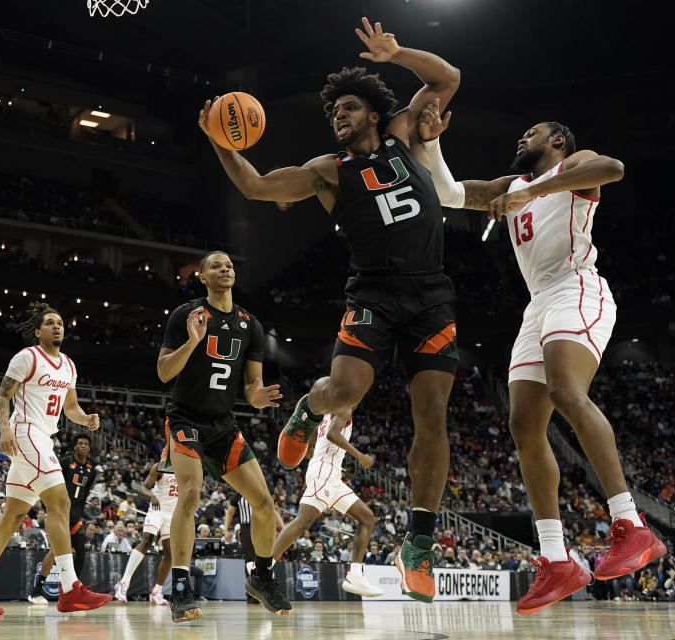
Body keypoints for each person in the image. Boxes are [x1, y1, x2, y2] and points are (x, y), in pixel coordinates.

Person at [200, 17, 461, 604]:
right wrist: (220, 140)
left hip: (431, 294)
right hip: (372, 293)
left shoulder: (406, 134)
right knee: (341, 393)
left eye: (348, 107)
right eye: (333, 111)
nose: (338, 116)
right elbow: (258, 188)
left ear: (372, 111)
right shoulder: (327, 171)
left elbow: (447, 77)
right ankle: (306, 408)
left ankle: (417, 545)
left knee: (433, 416)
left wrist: (396, 55)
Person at [420, 107, 667, 613]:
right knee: (524, 425)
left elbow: (614, 168)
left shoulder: (573, 165)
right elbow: (449, 193)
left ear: (556, 140)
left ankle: (633, 526)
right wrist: (430, 142)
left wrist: (530, 193)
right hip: (538, 303)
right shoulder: (511, 183)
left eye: (532, 131)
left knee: (565, 390)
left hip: (577, 286)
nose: (522, 135)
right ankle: (557, 558)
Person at [157, 250, 288, 622]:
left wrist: (257, 396)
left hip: (223, 424)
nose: (225, 269)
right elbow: (164, 373)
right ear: (202, 277)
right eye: (216, 265)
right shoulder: (186, 315)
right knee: (191, 491)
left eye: (229, 265)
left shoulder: (251, 325)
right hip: (185, 418)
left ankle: (262, 577)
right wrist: (193, 341)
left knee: (263, 503)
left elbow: (252, 385)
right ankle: (180, 588)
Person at [0, 303, 110, 615]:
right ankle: (71, 589)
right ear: (38, 331)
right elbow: (3, 396)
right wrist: (4, 429)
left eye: (61, 322)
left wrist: (86, 419)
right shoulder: (27, 356)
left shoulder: (68, 364)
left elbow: (71, 409)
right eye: (50, 323)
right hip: (26, 433)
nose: (57, 327)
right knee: (61, 503)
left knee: (12, 516)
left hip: (43, 439)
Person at [271, 410, 382, 597]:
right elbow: (332, 435)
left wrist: (331, 463)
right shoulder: (344, 406)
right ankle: (264, 565)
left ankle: (355, 575)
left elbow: (308, 446)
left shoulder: (327, 415)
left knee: (367, 518)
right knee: (303, 522)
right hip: (324, 476)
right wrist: (360, 456)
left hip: (332, 476)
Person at [28, 434, 98, 604]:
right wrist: (49, 508)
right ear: (74, 447)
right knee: (55, 551)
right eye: (79, 443)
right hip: (60, 512)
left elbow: (85, 494)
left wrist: (80, 514)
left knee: (81, 553)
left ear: (89, 448)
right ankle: (36, 591)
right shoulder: (66, 462)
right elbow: (53, 484)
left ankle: (73, 589)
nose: (82, 446)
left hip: (76, 516)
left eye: (85, 444)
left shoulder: (91, 469)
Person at [113, 449, 176, 606]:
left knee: (169, 553)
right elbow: (142, 487)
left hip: (173, 514)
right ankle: (124, 582)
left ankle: (157, 592)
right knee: (147, 541)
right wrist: (151, 496)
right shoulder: (159, 467)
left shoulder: (186, 469)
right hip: (157, 511)